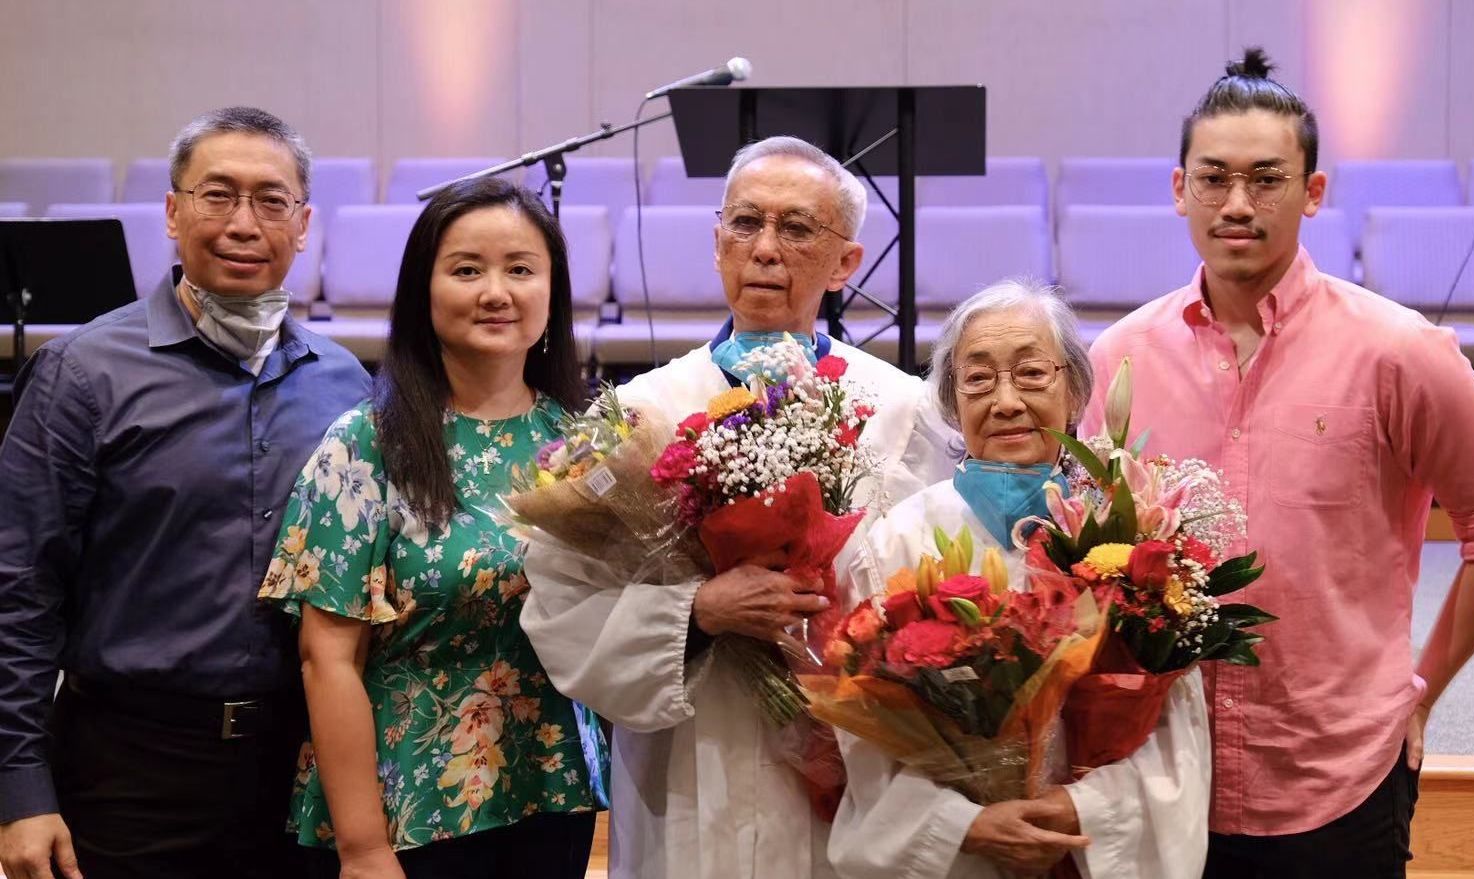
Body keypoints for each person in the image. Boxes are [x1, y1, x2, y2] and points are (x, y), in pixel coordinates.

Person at [1081, 49, 1474, 879]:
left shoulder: (1399, 352)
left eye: (1267, 178)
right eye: (1213, 177)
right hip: (1165, 766)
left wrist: (1421, 688)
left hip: (1338, 772)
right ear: (1178, 188)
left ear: (1314, 191)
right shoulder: (1123, 354)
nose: (1237, 203)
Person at [519, 135, 961, 879]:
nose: (765, 249)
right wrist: (697, 610)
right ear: (716, 239)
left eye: (796, 228)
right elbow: (563, 603)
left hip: (845, 770)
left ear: (846, 262)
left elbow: (941, 583)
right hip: (689, 770)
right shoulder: (637, 413)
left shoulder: (904, 410)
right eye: (746, 223)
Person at [0, 106, 370, 878]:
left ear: (302, 225)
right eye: (217, 195)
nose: (244, 222)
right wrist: (19, 789)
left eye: (271, 201)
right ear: (173, 212)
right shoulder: (83, 373)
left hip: (298, 765)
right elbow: (18, 593)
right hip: (128, 768)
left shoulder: (342, 383)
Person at [258, 177, 606, 879]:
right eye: (467, 269)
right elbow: (327, 659)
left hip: (551, 791)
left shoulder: (582, 439)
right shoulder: (366, 442)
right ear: (425, 289)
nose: (496, 292)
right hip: (405, 808)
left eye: (520, 269)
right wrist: (362, 847)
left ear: (552, 289)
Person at [829, 280, 1210, 879]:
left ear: (1076, 391)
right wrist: (963, 825)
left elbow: (1175, 730)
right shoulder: (898, 542)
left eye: (1032, 374)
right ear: (952, 403)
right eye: (977, 379)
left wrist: (1079, 809)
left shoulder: (1130, 533)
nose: (1005, 401)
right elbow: (866, 741)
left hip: (1085, 849)